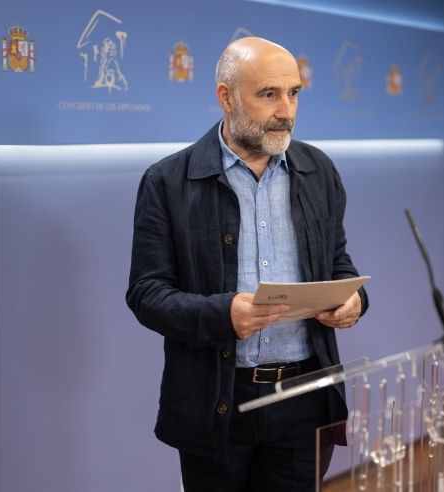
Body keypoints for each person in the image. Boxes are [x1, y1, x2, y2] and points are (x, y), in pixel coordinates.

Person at [126, 36, 369, 491]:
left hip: (304, 399)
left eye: (293, 93)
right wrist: (222, 315)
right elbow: (146, 294)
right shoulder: (167, 181)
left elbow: (337, 258)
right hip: (217, 401)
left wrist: (353, 299)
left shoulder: (318, 170)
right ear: (226, 97)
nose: (287, 111)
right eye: (269, 94)